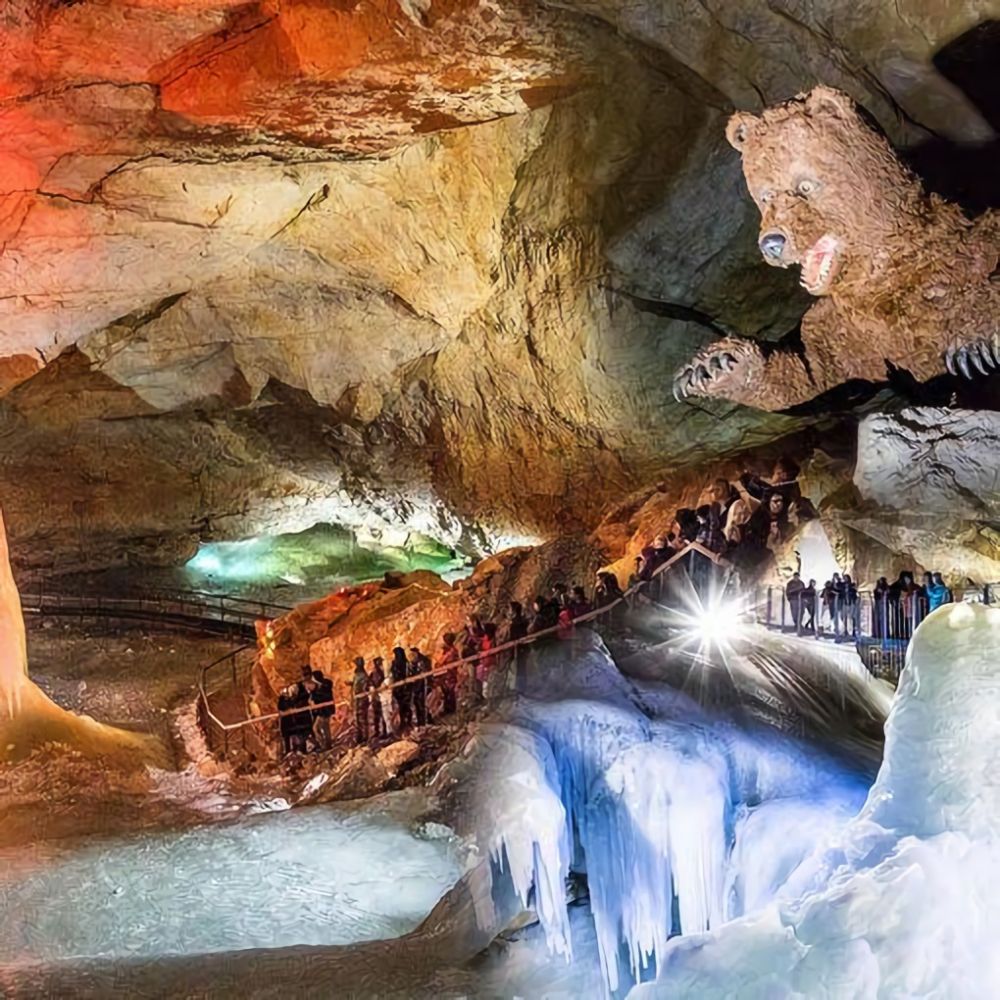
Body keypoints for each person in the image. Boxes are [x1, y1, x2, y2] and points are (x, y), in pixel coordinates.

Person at [309, 667, 335, 751]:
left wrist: (314, 694)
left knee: (316, 728)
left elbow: (322, 698)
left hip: (324, 711)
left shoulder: (324, 687)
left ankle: (323, 744)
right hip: (324, 710)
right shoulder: (321, 687)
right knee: (325, 728)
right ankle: (328, 744)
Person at [390, 647, 412, 731]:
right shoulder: (402, 663)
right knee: (402, 707)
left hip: (403, 688)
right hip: (400, 688)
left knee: (405, 706)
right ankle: (404, 722)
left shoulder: (405, 664)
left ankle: (407, 723)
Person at [438, 632, 460, 715]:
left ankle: (451, 708)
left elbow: (443, 661)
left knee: (450, 691)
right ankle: (447, 708)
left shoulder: (452, 651)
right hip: (446, 673)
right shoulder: (448, 651)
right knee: (446, 691)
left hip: (451, 673)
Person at [408, 647, 429, 725]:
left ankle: (424, 721)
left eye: (413, 653)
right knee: (416, 703)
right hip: (416, 686)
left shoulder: (422, 661)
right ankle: (420, 720)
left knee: (421, 703)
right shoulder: (414, 662)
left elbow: (423, 672)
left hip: (422, 684)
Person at [351, 657, 369, 745]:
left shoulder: (363, 675)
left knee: (362, 718)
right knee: (357, 718)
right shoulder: (357, 673)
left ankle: (364, 737)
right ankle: (359, 737)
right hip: (357, 699)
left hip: (361, 699)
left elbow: (364, 686)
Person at [369, 656, 387, 739]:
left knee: (381, 715)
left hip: (379, 696)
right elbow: (370, 682)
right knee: (378, 715)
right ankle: (379, 731)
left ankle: (382, 731)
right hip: (377, 696)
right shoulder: (377, 672)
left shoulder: (379, 672)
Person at [379, 673, 397, 738]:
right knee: (387, 718)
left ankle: (390, 732)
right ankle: (389, 732)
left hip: (386, 701)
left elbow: (383, 688)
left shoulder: (388, 681)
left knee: (388, 718)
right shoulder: (388, 680)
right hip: (385, 701)